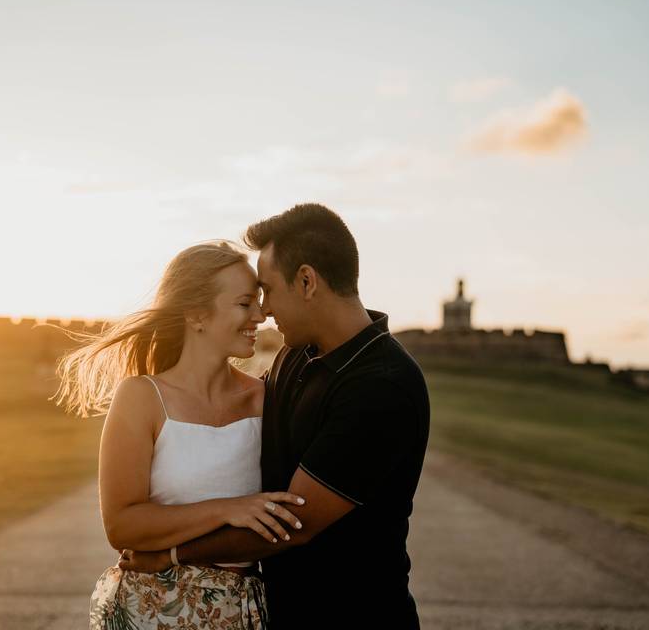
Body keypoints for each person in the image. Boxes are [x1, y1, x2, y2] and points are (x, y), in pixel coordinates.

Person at [120, 203, 431, 629]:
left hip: (359, 615)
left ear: (306, 281)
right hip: (281, 616)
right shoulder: (296, 356)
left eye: (265, 290)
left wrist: (172, 554)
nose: (264, 310)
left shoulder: (382, 385)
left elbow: (295, 522)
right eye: (251, 298)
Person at [54, 241, 306, 630]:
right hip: (150, 611)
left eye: (259, 301)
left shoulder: (267, 399)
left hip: (241, 614)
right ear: (196, 314)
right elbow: (121, 526)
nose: (260, 315)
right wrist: (227, 508)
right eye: (244, 303)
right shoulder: (141, 397)